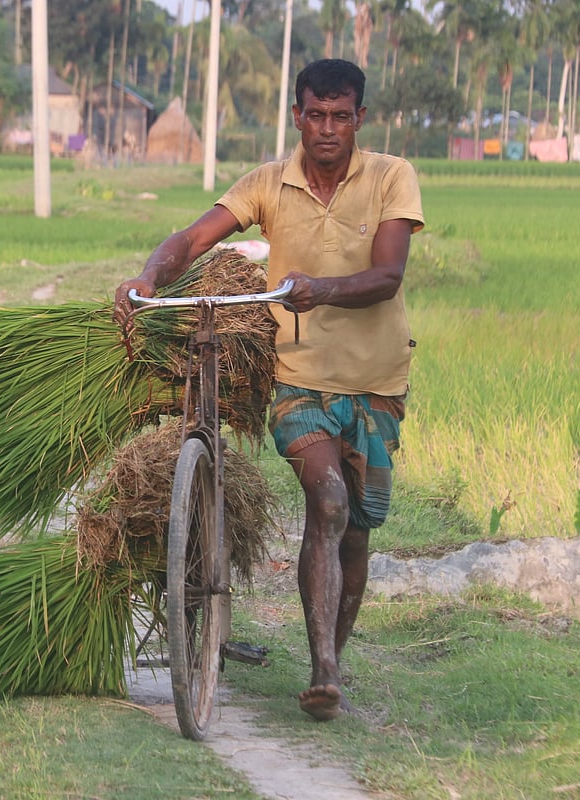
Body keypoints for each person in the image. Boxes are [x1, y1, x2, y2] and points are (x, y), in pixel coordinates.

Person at [114, 58, 424, 721]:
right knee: (329, 498)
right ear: (298, 116)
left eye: (342, 116)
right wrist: (151, 276)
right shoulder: (267, 184)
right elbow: (194, 237)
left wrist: (323, 288)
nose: (329, 129)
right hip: (299, 382)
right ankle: (324, 672)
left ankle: (328, 664)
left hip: (376, 385)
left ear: (360, 119)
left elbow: (389, 275)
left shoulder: (391, 177)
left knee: (357, 534)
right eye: (316, 114)